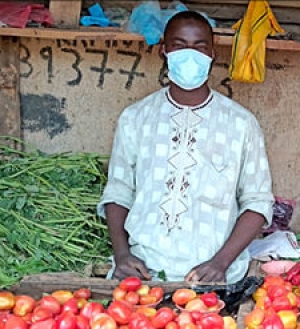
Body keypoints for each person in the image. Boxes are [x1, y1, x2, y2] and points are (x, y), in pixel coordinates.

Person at [97, 10, 274, 284]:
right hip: (143, 273)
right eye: (179, 46)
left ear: (212, 54)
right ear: (163, 51)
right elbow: (118, 192)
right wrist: (121, 255)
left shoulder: (241, 124)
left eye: (200, 47)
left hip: (216, 277)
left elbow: (258, 203)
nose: (189, 54)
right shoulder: (135, 117)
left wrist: (220, 262)